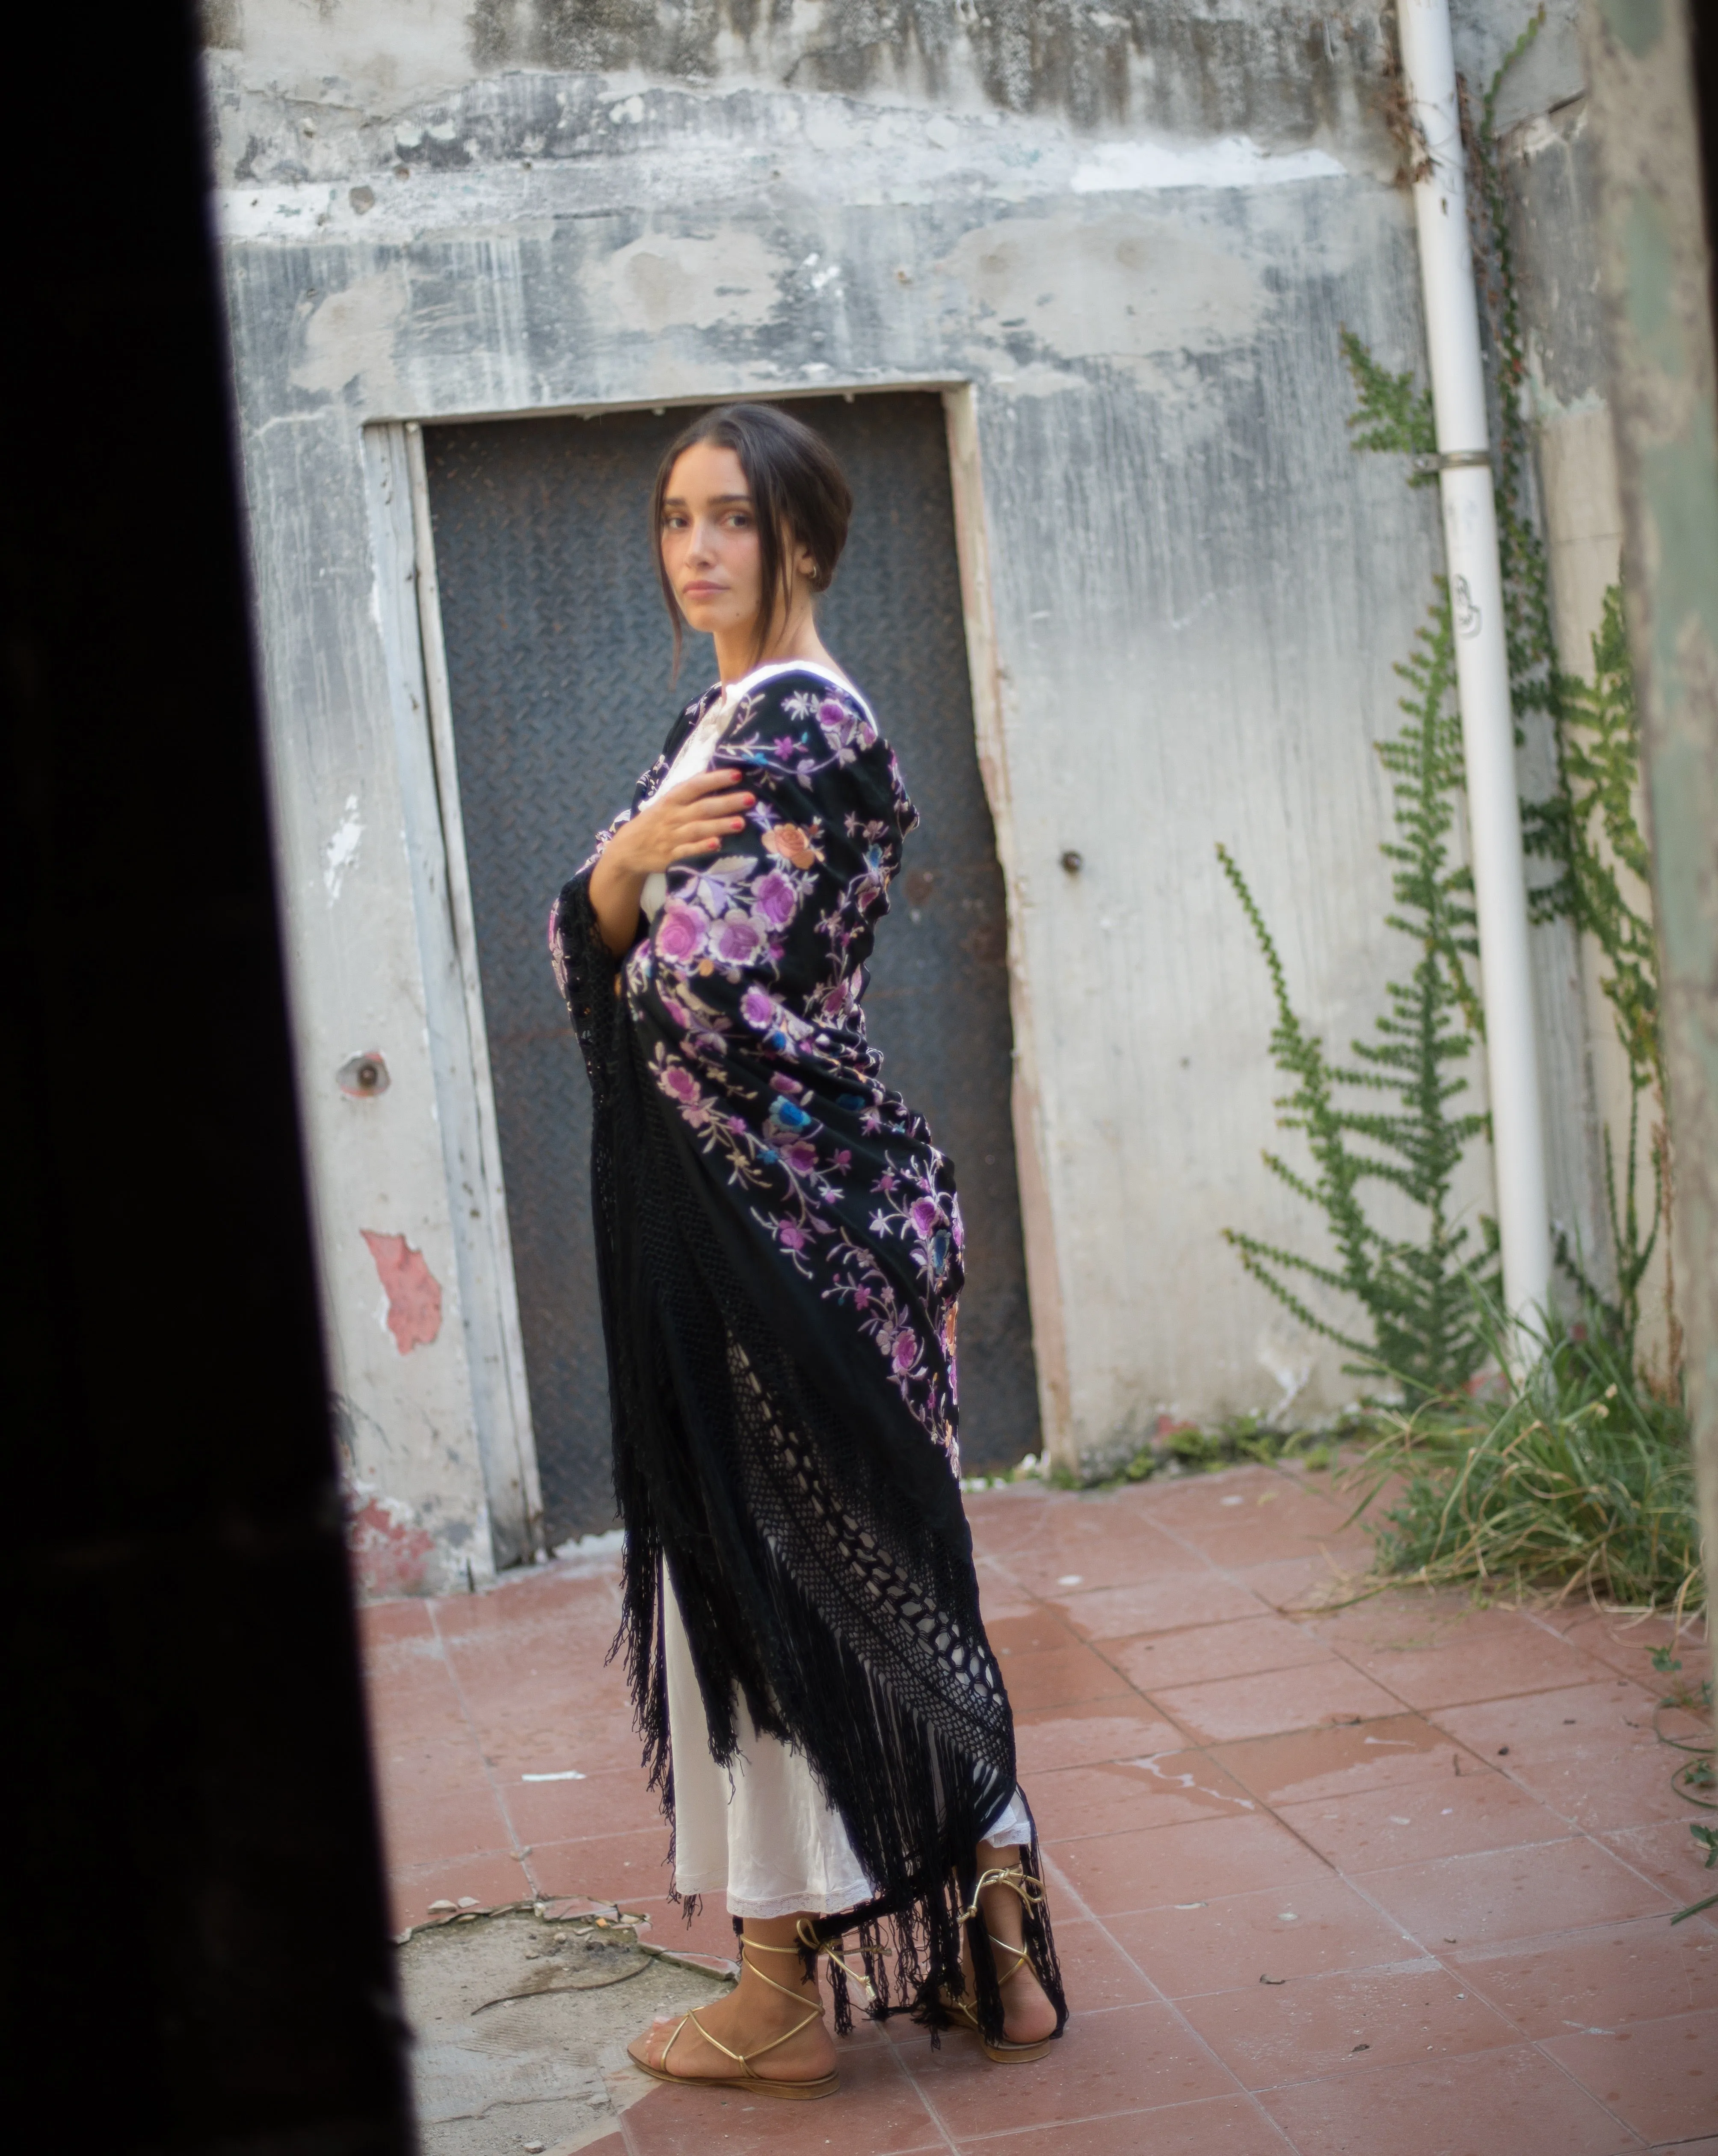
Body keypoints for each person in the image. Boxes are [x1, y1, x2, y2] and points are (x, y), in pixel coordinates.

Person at [550, 402, 1066, 2101]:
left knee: (770, 1586)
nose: (695, 548)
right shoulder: (726, 720)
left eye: (732, 520)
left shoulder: (798, 735)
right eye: (673, 517)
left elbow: (674, 981)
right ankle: (994, 1915)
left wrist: (608, 889)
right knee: (866, 1571)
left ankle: (777, 1984)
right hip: (807, 1216)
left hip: (789, 1233)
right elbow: (616, 931)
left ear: (804, 544)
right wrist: (618, 875)